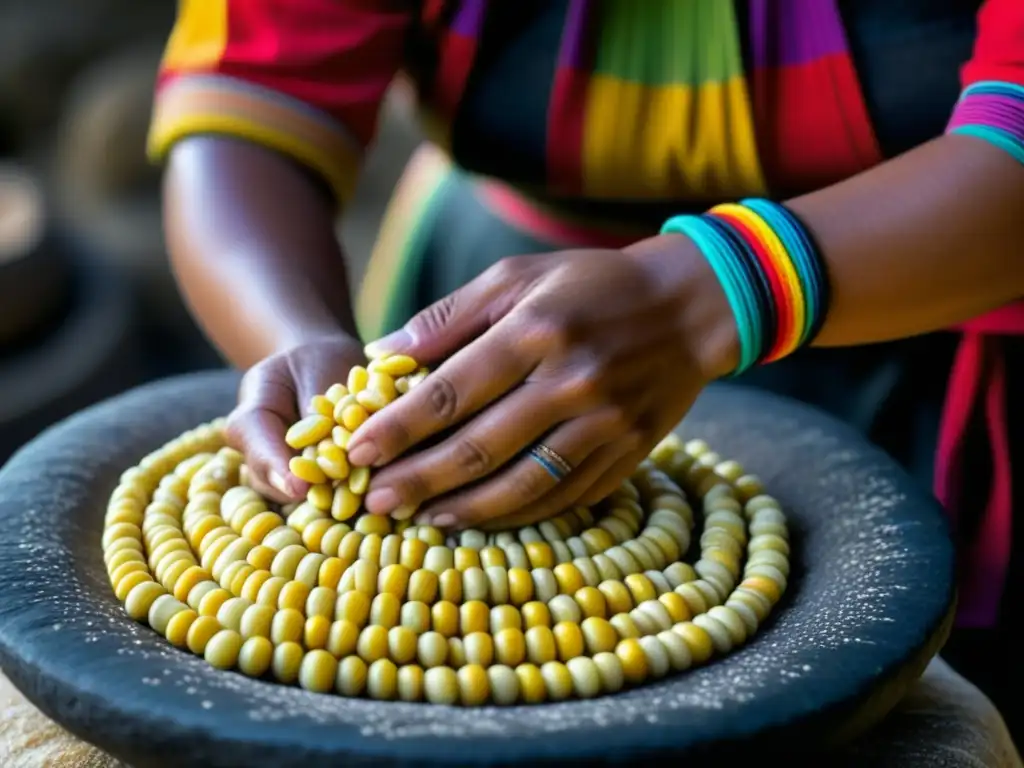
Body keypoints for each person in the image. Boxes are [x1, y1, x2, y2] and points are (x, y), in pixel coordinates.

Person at [150, 0, 1023, 750]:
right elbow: (254, 91)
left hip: (937, 322)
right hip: (483, 299)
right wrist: (300, 336)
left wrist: (702, 296)